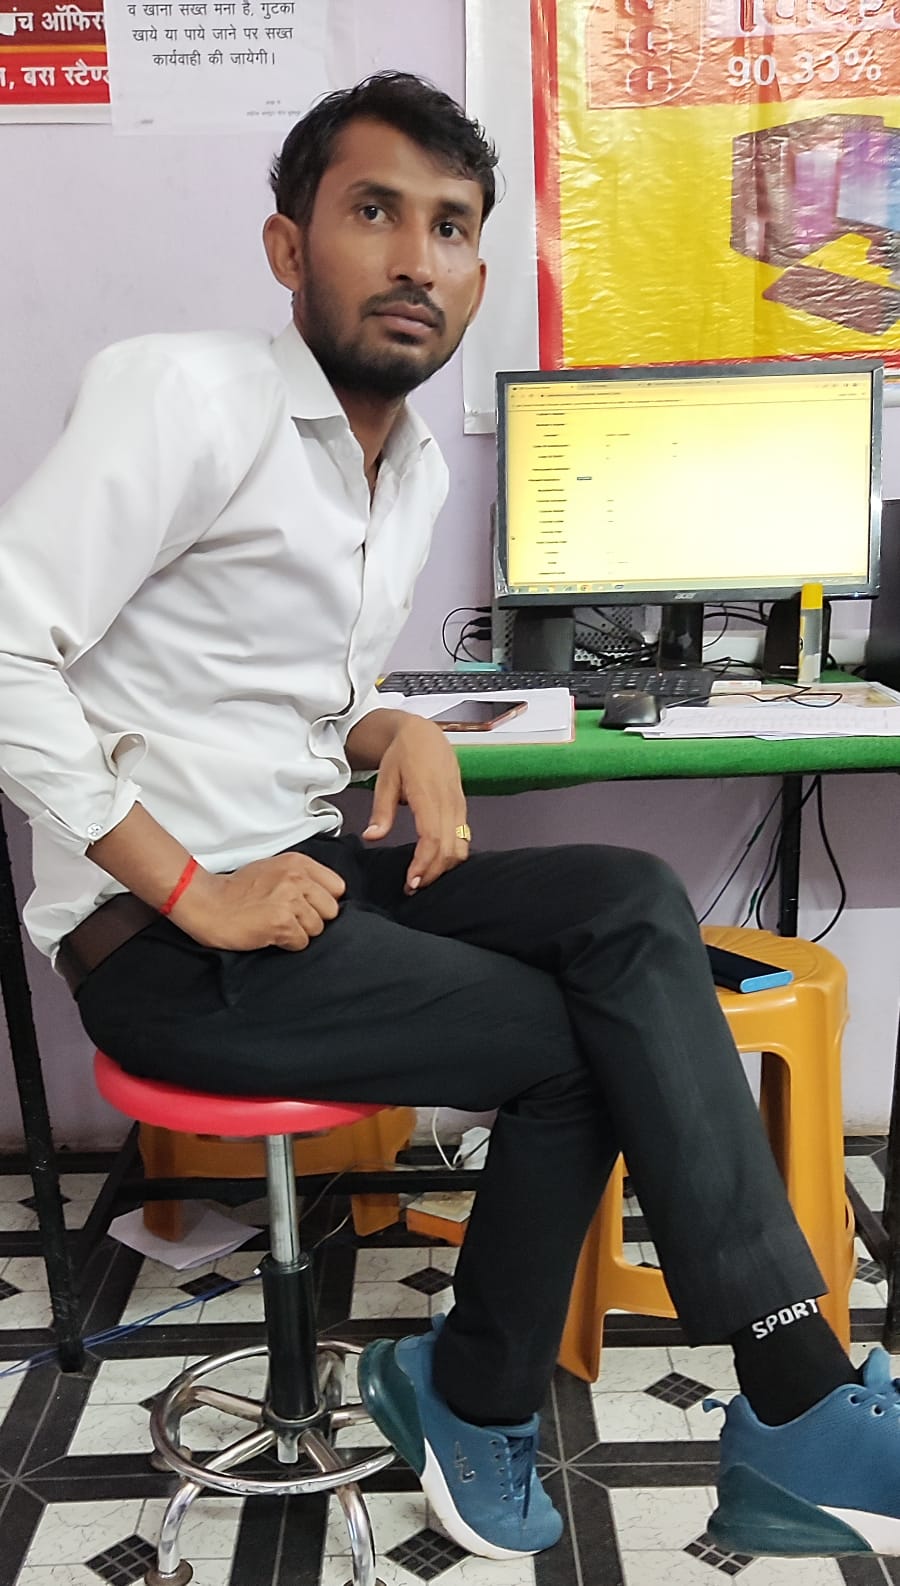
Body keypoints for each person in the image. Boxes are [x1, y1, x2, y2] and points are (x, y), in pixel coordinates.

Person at [0, 68, 898, 1567]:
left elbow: (295, 690)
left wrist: (396, 724)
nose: (417, 257)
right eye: (374, 211)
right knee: (584, 1048)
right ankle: (526, 1394)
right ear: (289, 246)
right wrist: (192, 886)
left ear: (480, 270)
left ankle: (774, 1381)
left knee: (628, 897)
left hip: (307, 874)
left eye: (453, 225)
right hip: (169, 940)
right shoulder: (184, 396)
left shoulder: (405, 467)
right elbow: (7, 646)